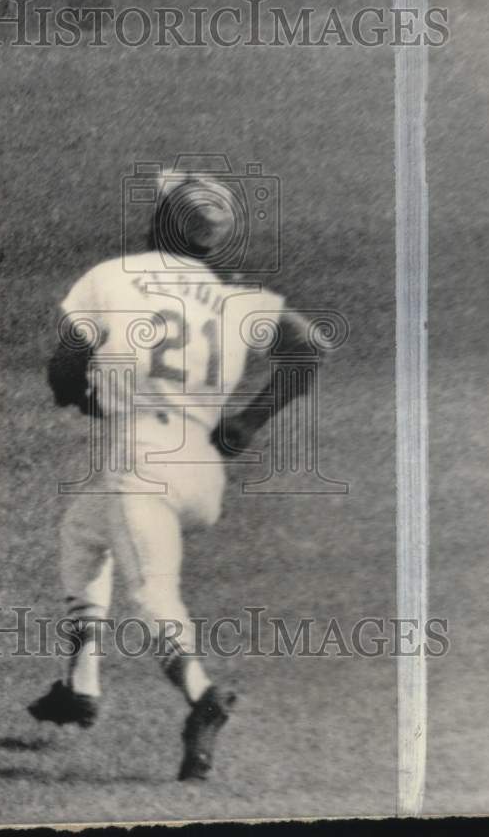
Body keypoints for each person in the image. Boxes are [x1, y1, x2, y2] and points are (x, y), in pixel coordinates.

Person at [28, 171, 308, 781]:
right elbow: (309, 349)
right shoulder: (237, 298)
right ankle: (81, 682)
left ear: (159, 222)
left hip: (144, 468)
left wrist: (84, 396)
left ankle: (202, 696)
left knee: (154, 592)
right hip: (204, 472)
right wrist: (250, 422)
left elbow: (64, 370)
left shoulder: (113, 276)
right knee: (82, 529)